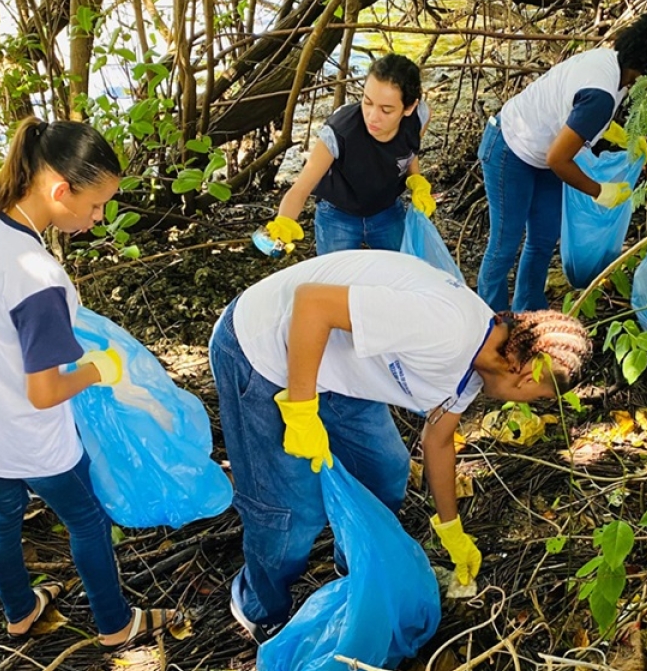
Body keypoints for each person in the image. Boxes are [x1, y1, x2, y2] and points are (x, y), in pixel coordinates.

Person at [208, 250, 591, 640]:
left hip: (338, 364)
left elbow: (439, 442)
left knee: (385, 472)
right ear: (528, 376)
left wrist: (451, 529)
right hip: (262, 350)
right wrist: (302, 409)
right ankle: (260, 607)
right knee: (290, 512)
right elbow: (312, 303)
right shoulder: (449, 330)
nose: (526, 403)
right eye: (541, 397)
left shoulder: (478, 367)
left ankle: (355, 570)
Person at [0, 117, 175, 648]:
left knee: (0, 513)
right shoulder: (37, 275)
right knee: (88, 518)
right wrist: (100, 369)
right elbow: (44, 392)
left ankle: (20, 612)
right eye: (95, 206)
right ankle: (116, 626)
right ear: (59, 190)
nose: (98, 218)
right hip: (26, 434)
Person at [475, 5, 647, 312]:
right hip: (510, 147)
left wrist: (614, 132)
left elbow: (572, 125)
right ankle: (492, 320)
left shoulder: (616, 67)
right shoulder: (602, 93)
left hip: (542, 151)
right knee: (505, 243)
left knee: (543, 237)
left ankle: (529, 308)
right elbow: (559, 159)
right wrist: (599, 191)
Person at [262, 53, 436, 255]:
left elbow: (408, 150)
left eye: (386, 110)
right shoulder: (339, 132)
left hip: (387, 211)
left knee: (400, 272)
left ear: (409, 107)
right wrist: (284, 222)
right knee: (334, 279)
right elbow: (300, 189)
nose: (372, 117)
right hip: (337, 215)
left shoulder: (420, 116)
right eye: (367, 102)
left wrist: (417, 181)